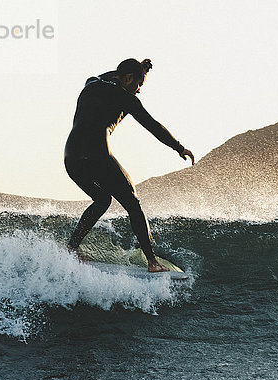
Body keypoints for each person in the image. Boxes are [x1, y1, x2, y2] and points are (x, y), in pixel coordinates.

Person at [64, 58, 194, 272]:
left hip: (72, 157)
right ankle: (152, 262)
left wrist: (138, 70)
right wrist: (178, 147)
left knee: (102, 199)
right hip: (96, 155)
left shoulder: (92, 83)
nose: (138, 91)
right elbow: (152, 125)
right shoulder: (127, 98)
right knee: (132, 203)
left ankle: (71, 247)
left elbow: (111, 76)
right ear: (128, 78)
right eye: (138, 85)